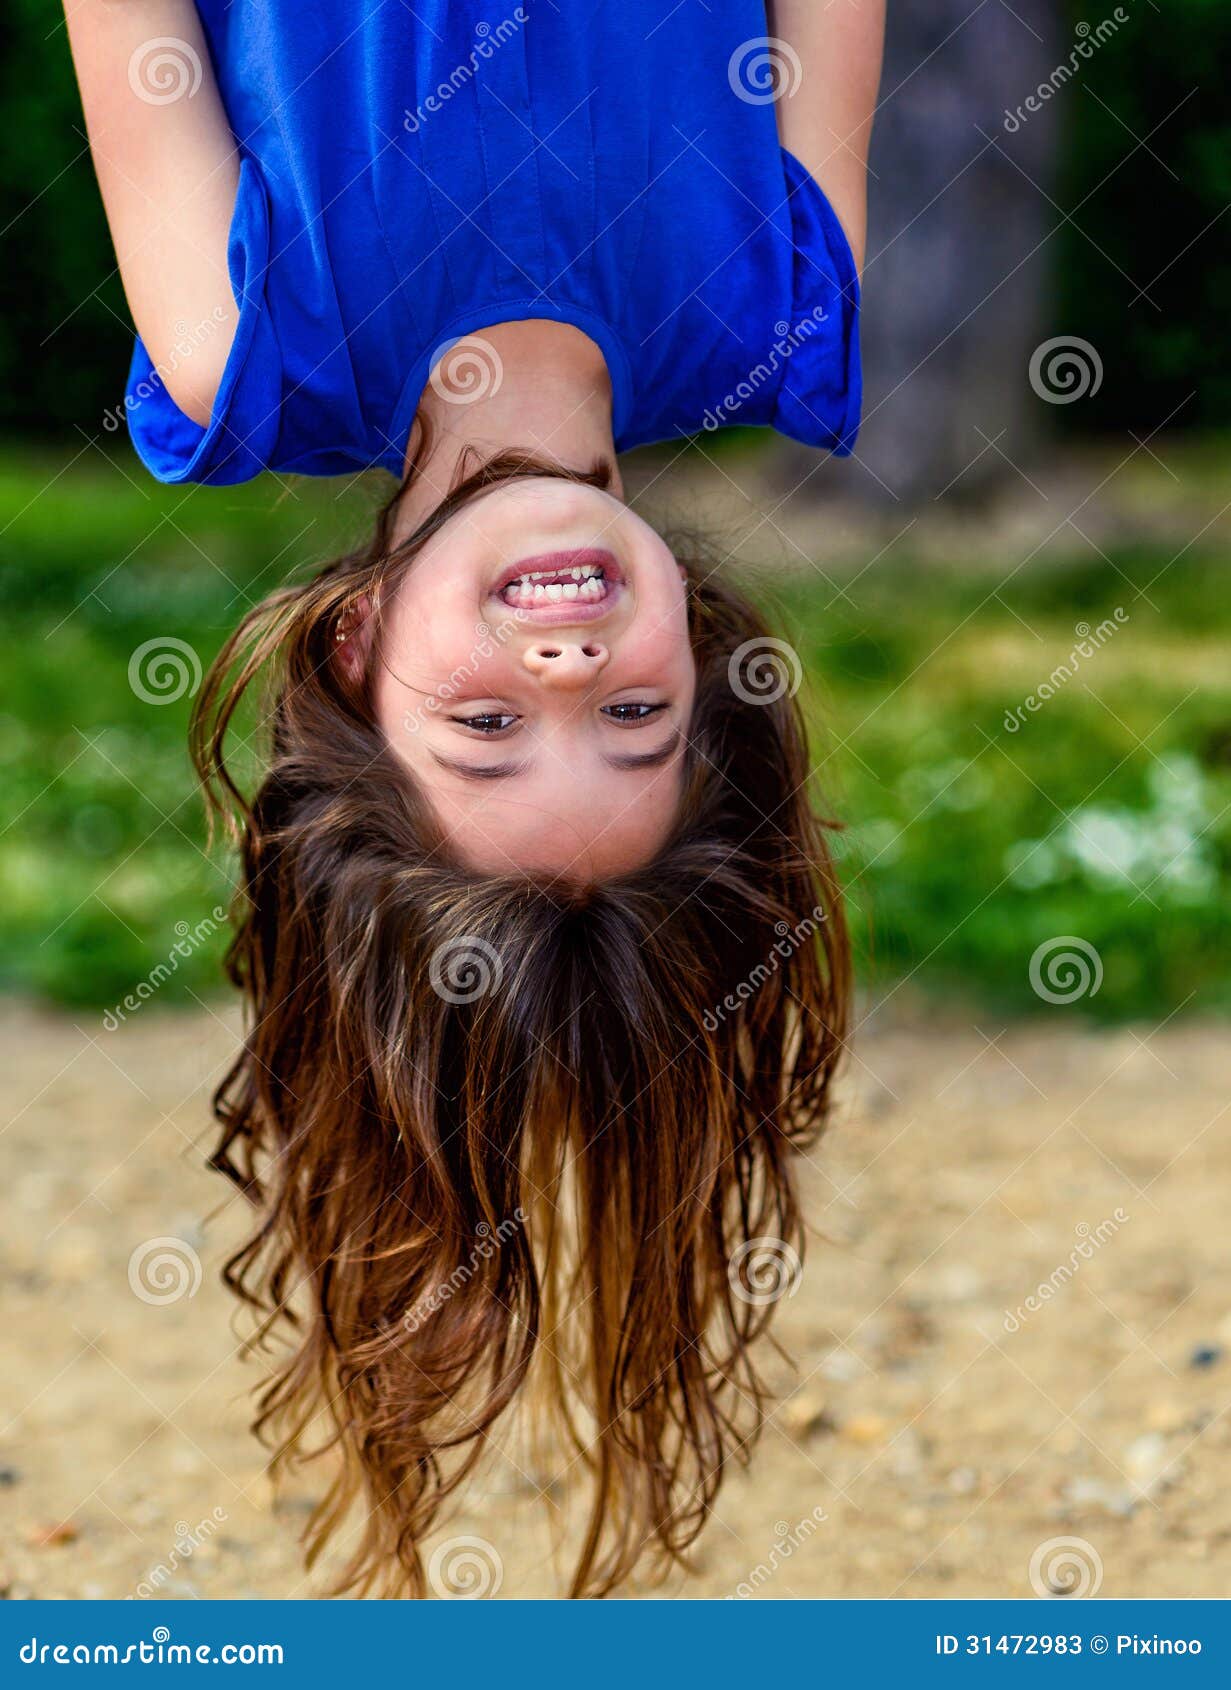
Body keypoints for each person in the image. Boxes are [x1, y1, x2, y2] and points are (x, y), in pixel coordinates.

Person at [65, 0, 884, 1597]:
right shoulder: (778, 307)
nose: (570, 659)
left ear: (359, 648)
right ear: (711, 666)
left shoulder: (245, 341)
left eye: (493, 726)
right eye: (635, 715)